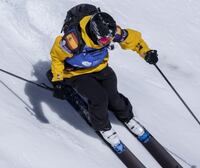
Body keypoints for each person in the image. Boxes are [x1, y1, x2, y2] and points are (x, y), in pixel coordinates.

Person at [49, 4, 158, 150]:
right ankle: (103, 127)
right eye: (105, 41)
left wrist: (146, 52)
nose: (108, 42)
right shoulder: (72, 41)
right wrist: (58, 80)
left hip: (100, 68)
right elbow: (56, 57)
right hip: (77, 73)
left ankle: (127, 117)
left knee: (113, 96)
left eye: (110, 39)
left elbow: (133, 39)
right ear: (94, 33)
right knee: (99, 98)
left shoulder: (109, 32)